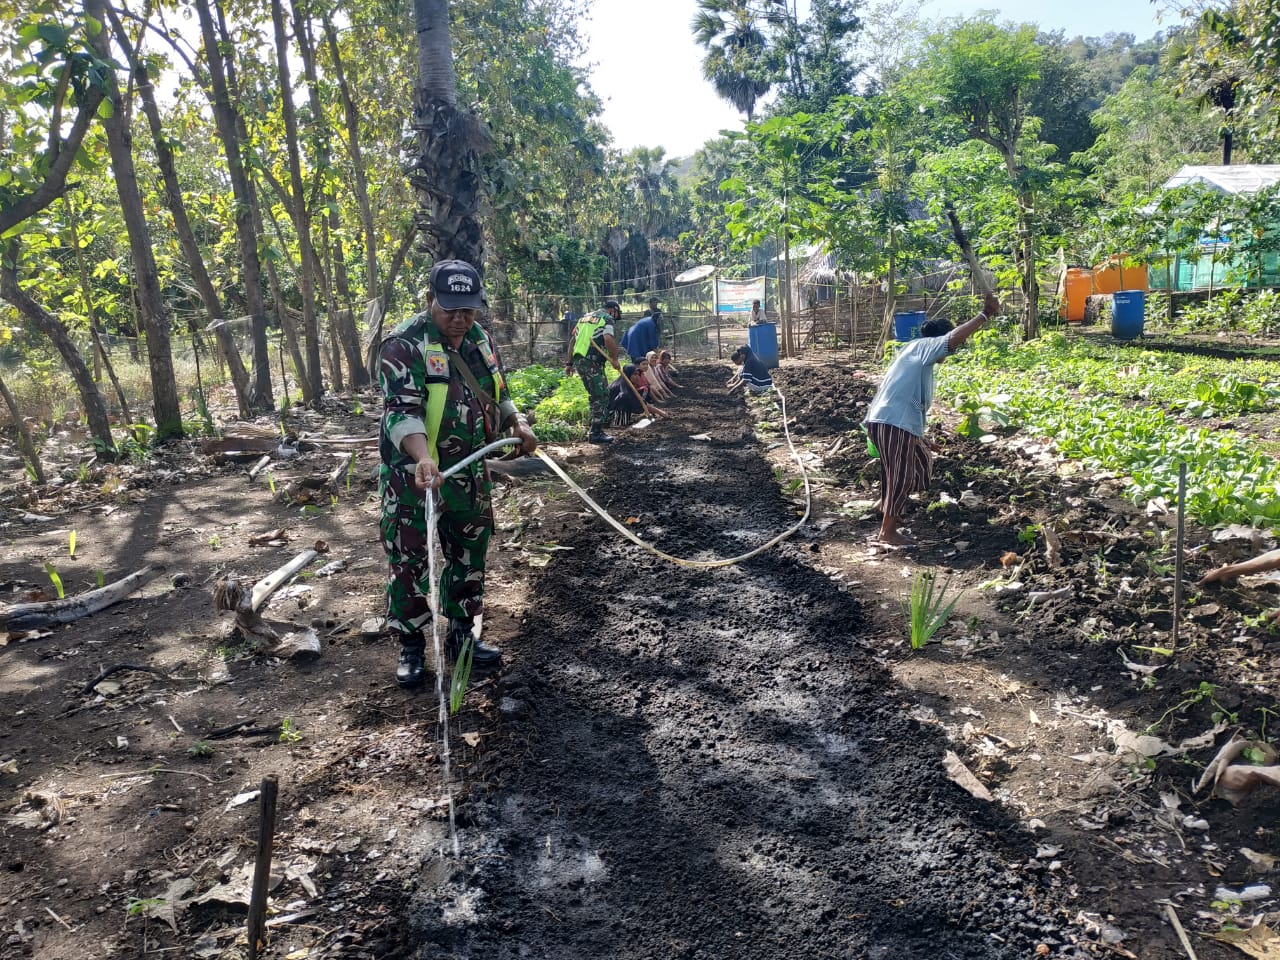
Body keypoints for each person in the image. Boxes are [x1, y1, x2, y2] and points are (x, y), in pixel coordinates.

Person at [379, 259, 538, 688]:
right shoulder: (403, 344)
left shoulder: (479, 339)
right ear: (431, 299)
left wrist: (516, 422)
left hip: (468, 472)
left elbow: (497, 391)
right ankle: (412, 646)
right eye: (450, 309)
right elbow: (401, 412)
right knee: (410, 559)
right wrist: (422, 457)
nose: (459, 318)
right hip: (414, 477)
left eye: (467, 310)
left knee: (470, 551)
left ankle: (462, 637)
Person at [864, 293, 1001, 546]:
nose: (950, 353)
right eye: (952, 348)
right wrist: (985, 314)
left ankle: (885, 505)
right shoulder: (925, 347)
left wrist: (920, 438)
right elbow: (953, 338)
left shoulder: (916, 356)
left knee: (914, 465)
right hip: (891, 422)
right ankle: (887, 531)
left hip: (890, 422)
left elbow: (909, 400)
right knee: (901, 475)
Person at [566, 299, 623, 444]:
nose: (615, 318)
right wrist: (615, 359)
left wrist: (569, 363)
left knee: (595, 395)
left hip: (580, 360)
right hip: (592, 361)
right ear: (613, 310)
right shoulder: (607, 318)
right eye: (616, 315)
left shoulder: (584, 317)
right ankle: (596, 433)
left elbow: (573, 340)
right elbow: (608, 338)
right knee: (602, 394)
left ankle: (596, 428)